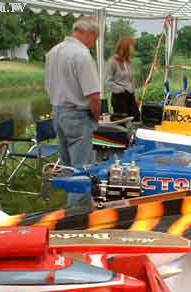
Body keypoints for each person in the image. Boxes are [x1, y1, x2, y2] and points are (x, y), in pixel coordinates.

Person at [45, 16, 101, 208]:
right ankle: (78, 216)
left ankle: (71, 207)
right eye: (96, 38)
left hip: (58, 112)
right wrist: (97, 117)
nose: (94, 44)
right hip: (77, 115)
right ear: (89, 33)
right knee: (82, 169)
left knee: (68, 167)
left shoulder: (53, 52)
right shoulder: (82, 55)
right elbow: (94, 95)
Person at [105, 37, 140, 121]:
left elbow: (131, 81)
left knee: (136, 118)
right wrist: (121, 89)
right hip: (119, 97)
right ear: (126, 47)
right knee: (123, 122)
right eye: (132, 46)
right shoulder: (112, 61)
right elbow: (107, 81)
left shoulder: (128, 62)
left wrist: (135, 98)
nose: (133, 49)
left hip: (130, 96)